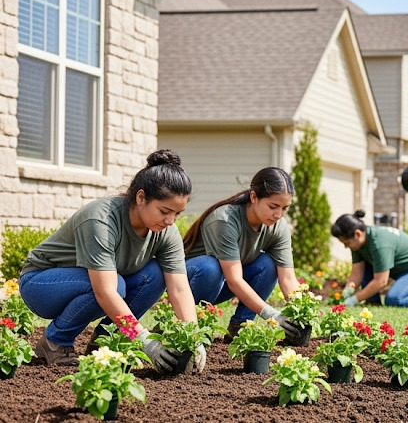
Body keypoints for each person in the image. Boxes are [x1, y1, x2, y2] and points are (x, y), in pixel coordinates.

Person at [19, 150, 205, 372]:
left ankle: (106, 342)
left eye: (177, 213)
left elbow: (180, 288)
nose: (170, 220)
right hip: (41, 284)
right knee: (115, 285)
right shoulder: (101, 219)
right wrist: (143, 340)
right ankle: (55, 342)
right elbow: (105, 291)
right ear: (141, 198)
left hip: (99, 283)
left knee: (156, 274)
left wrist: (193, 337)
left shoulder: (166, 231)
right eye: (165, 211)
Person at [182, 167, 302, 341]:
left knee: (268, 264)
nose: (278, 214)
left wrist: (302, 313)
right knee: (211, 268)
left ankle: (241, 327)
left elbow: (288, 279)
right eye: (273, 206)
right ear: (254, 197)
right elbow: (235, 280)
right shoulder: (225, 220)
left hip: (222, 283)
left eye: (285, 208)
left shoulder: (278, 227)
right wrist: (271, 314)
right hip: (190, 283)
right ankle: (190, 323)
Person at [331, 210, 408, 308]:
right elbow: (357, 274)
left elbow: (381, 281)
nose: (346, 246)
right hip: (405, 272)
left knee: (395, 299)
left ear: (358, 234)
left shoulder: (379, 243)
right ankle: (372, 301)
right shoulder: (358, 244)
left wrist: (355, 299)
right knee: (366, 265)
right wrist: (347, 291)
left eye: (347, 243)